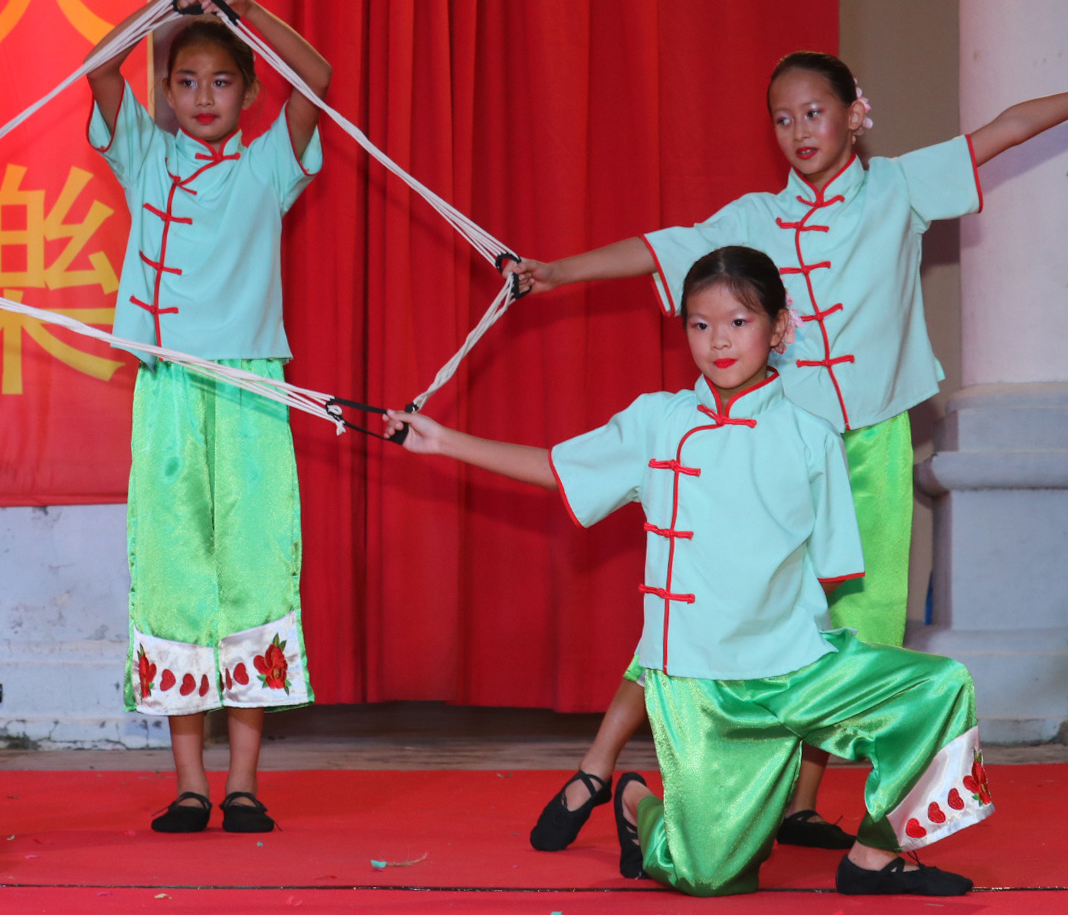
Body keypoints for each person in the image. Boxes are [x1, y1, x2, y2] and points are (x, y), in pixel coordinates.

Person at [511, 51, 1068, 853]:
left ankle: (800, 801)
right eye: (782, 117)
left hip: (872, 448)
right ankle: (598, 763)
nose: (799, 130)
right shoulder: (752, 219)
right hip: (770, 455)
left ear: (854, 113)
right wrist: (554, 273)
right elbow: (657, 249)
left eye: (814, 111)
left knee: (859, 631)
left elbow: (1006, 128)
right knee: (712, 611)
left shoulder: (900, 188)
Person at [390, 246, 988, 897]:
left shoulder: (812, 435)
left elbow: (830, 575)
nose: (717, 340)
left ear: (779, 328)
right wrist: (440, 439)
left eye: (737, 321)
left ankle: (875, 855)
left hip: (796, 670)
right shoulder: (658, 420)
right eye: (699, 325)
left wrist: (822, 677)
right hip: (700, 686)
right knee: (707, 876)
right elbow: (558, 466)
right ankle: (637, 802)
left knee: (939, 686)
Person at [83, 0, 330, 834]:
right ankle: (189, 780)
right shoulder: (144, 156)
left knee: (254, 572)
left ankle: (245, 783)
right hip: (169, 391)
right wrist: (167, 11)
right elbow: (98, 67)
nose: (200, 97)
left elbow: (318, 81)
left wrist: (246, 14)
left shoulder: (267, 166)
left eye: (220, 80)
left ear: (247, 90)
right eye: (184, 81)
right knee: (176, 574)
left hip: (253, 392)